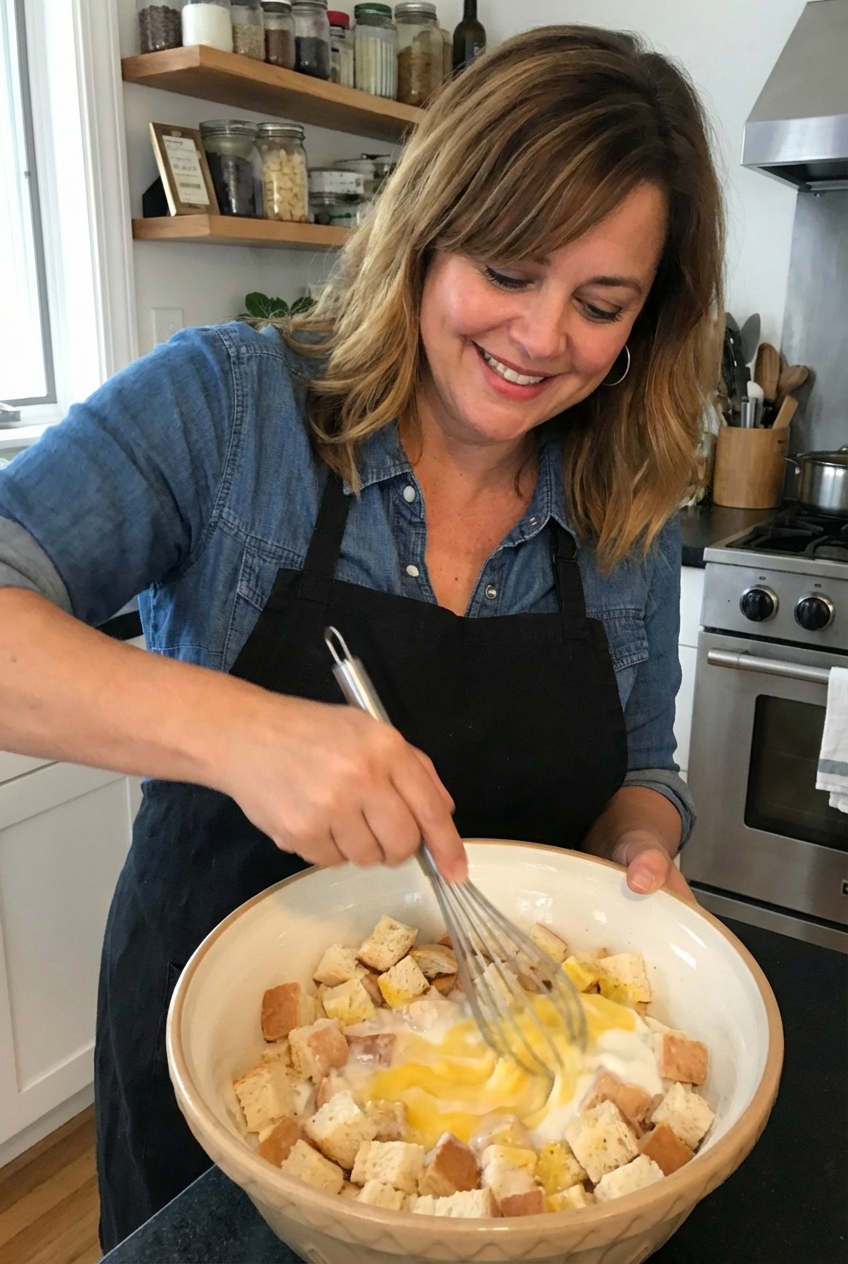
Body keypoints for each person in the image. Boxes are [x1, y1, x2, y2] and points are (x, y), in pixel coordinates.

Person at [0, 23, 723, 1251]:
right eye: (507, 270)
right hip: (209, 1072)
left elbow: (640, 770)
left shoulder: (628, 513)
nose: (540, 337)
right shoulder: (227, 410)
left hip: (517, 1084)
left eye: (599, 304)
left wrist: (639, 852)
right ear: (426, 230)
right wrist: (242, 734)